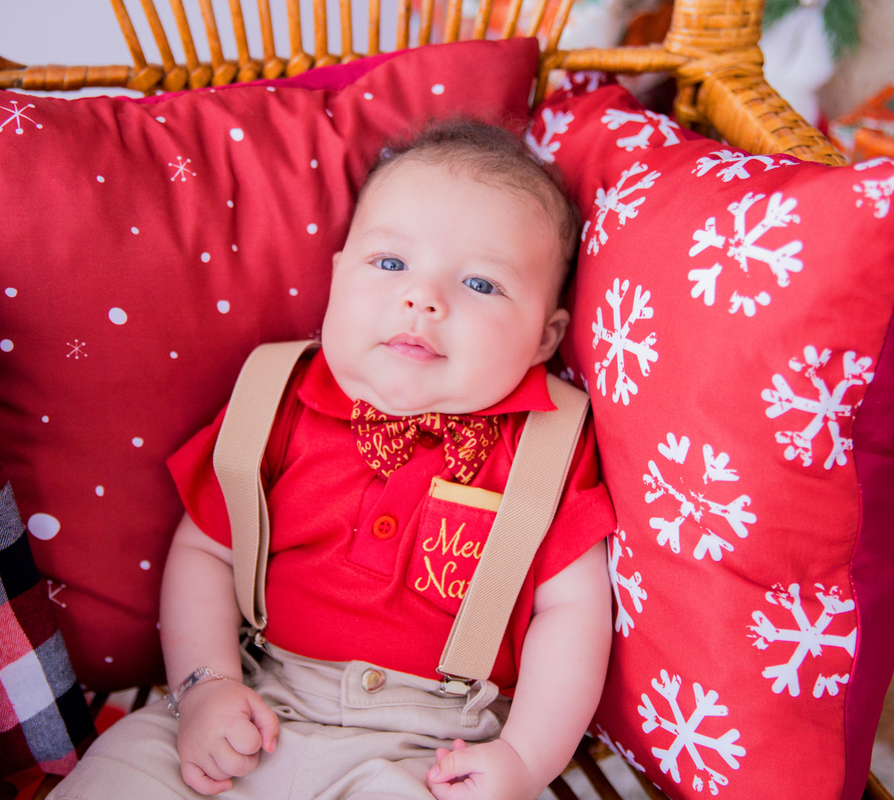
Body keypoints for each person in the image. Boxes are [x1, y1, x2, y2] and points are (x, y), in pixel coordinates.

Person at [51, 119, 615, 800]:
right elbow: (207, 552)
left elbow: (573, 614)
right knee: (123, 770)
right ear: (338, 275)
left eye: (480, 284)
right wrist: (206, 686)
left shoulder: (548, 446)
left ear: (544, 338)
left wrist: (527, 759)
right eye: (389, 264)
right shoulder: (276, 397)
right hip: (258, 695)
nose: (422, 297)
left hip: (434, 745)